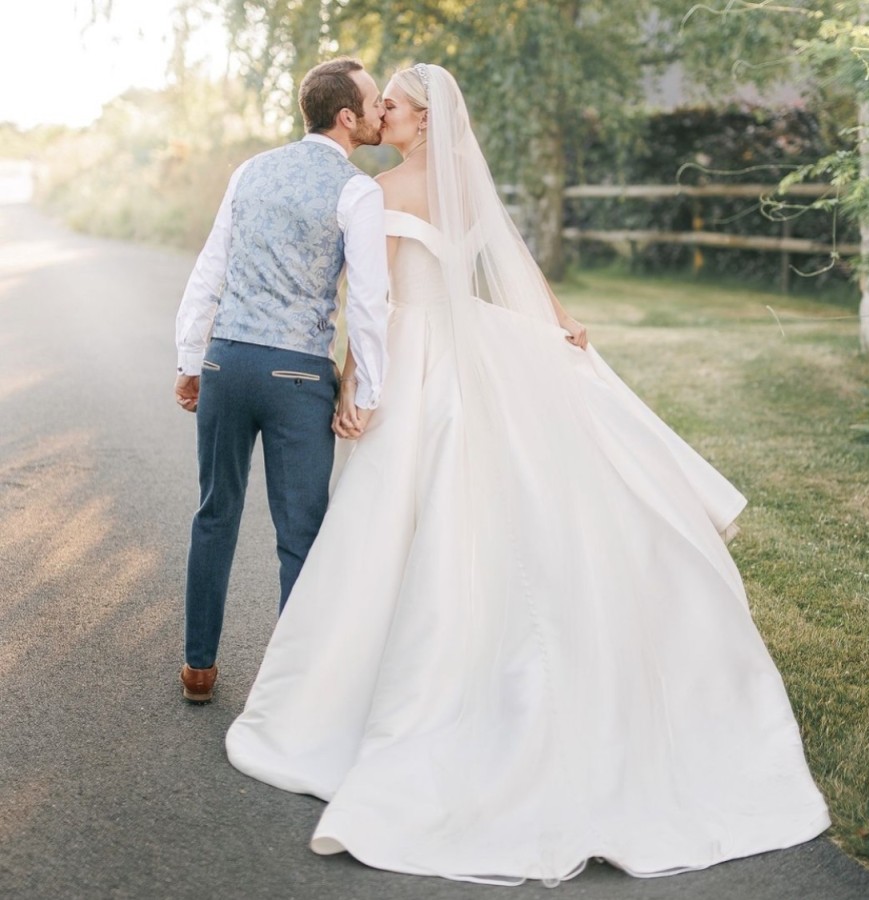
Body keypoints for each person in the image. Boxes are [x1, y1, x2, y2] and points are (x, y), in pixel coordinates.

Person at [225, 64, 830, 884]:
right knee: (461, 497)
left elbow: (368, 298)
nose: (384, 113)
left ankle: (394, 688)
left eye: (394, 105)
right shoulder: (465, 190)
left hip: (410, 352)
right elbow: (509, 262)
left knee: (404, 511)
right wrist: (559, 320)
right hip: (457, 341)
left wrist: (350, 380)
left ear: (423, 117)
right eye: (381, 104)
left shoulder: (380, 192)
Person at [173, 58, 389, 704]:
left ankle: (198, 669)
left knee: (215, 514)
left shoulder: (251, 171)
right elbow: (370, 303)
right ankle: (288, 689)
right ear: (347, 117)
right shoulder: (357, 192)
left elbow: (210, 269)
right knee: (300, 533)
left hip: (227, 364)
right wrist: (368, 392)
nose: (381, 110)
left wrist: (190, 359)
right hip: (297, 375)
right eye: (375, 101)